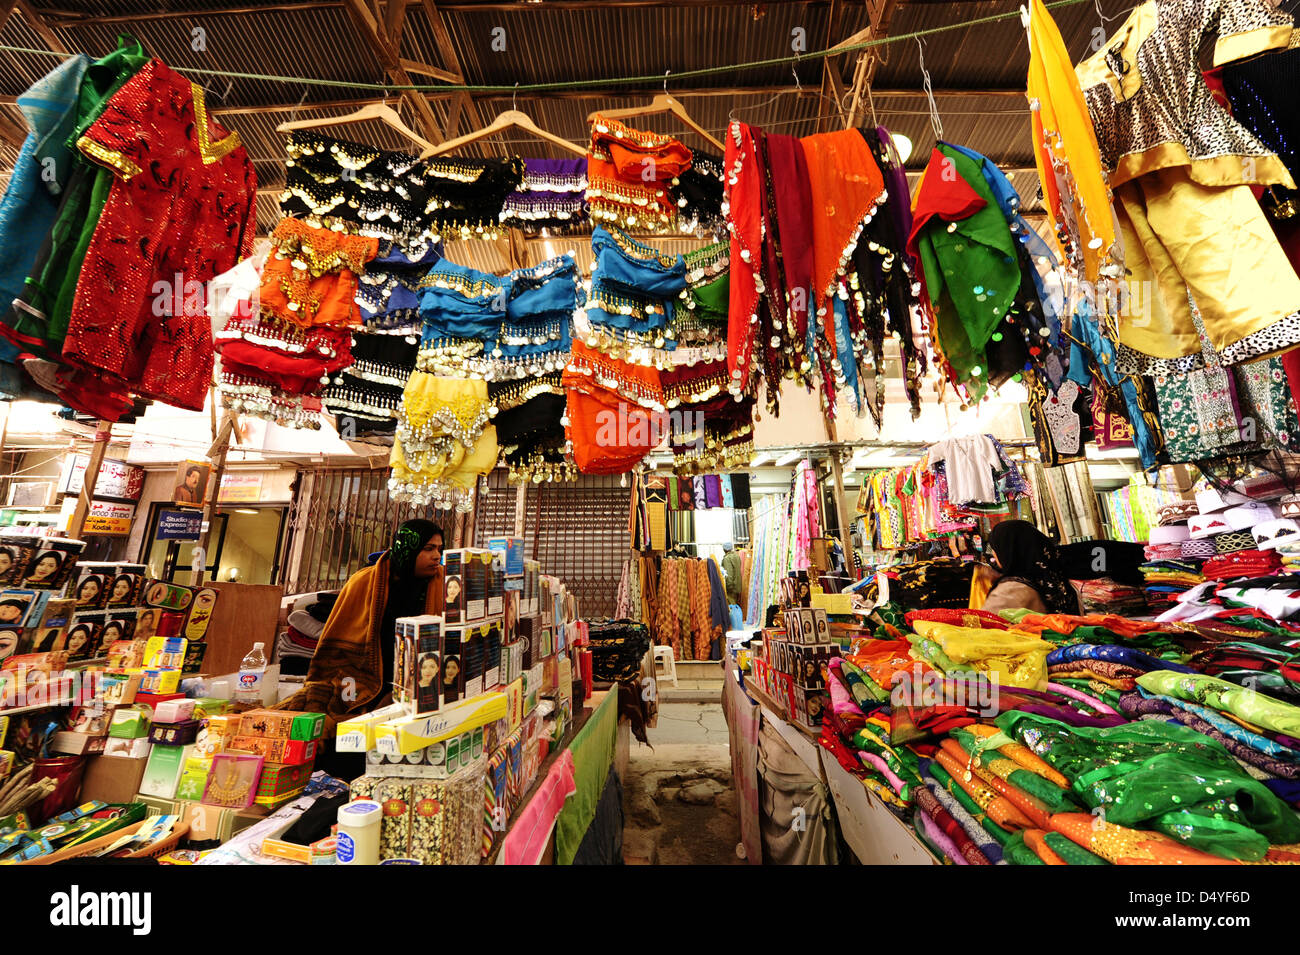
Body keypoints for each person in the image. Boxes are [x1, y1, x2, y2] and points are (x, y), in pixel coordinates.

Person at [278, 519, 445, 741]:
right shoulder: (365, 582)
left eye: (439, 549)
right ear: (407, 547)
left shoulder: (445, 583)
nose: (437, 556)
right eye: (428, 548)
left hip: (424, 685)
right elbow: (337, 646)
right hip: (367, 683)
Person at [979, 520, 1078, 614]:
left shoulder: (1011, 590)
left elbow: (984, 625)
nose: (993, 552)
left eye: (995, 547)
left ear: (1010, 550)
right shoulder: (1058, 580)